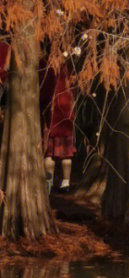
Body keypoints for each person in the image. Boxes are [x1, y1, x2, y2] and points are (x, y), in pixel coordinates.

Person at [39, 56, 75, 191]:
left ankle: (49, 183)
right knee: (66, 153)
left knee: (49, 154)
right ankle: (66, 183)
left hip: (51, 117)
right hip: (66, 116)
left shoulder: (46, 66)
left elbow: (44, 92)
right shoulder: (67, 69)